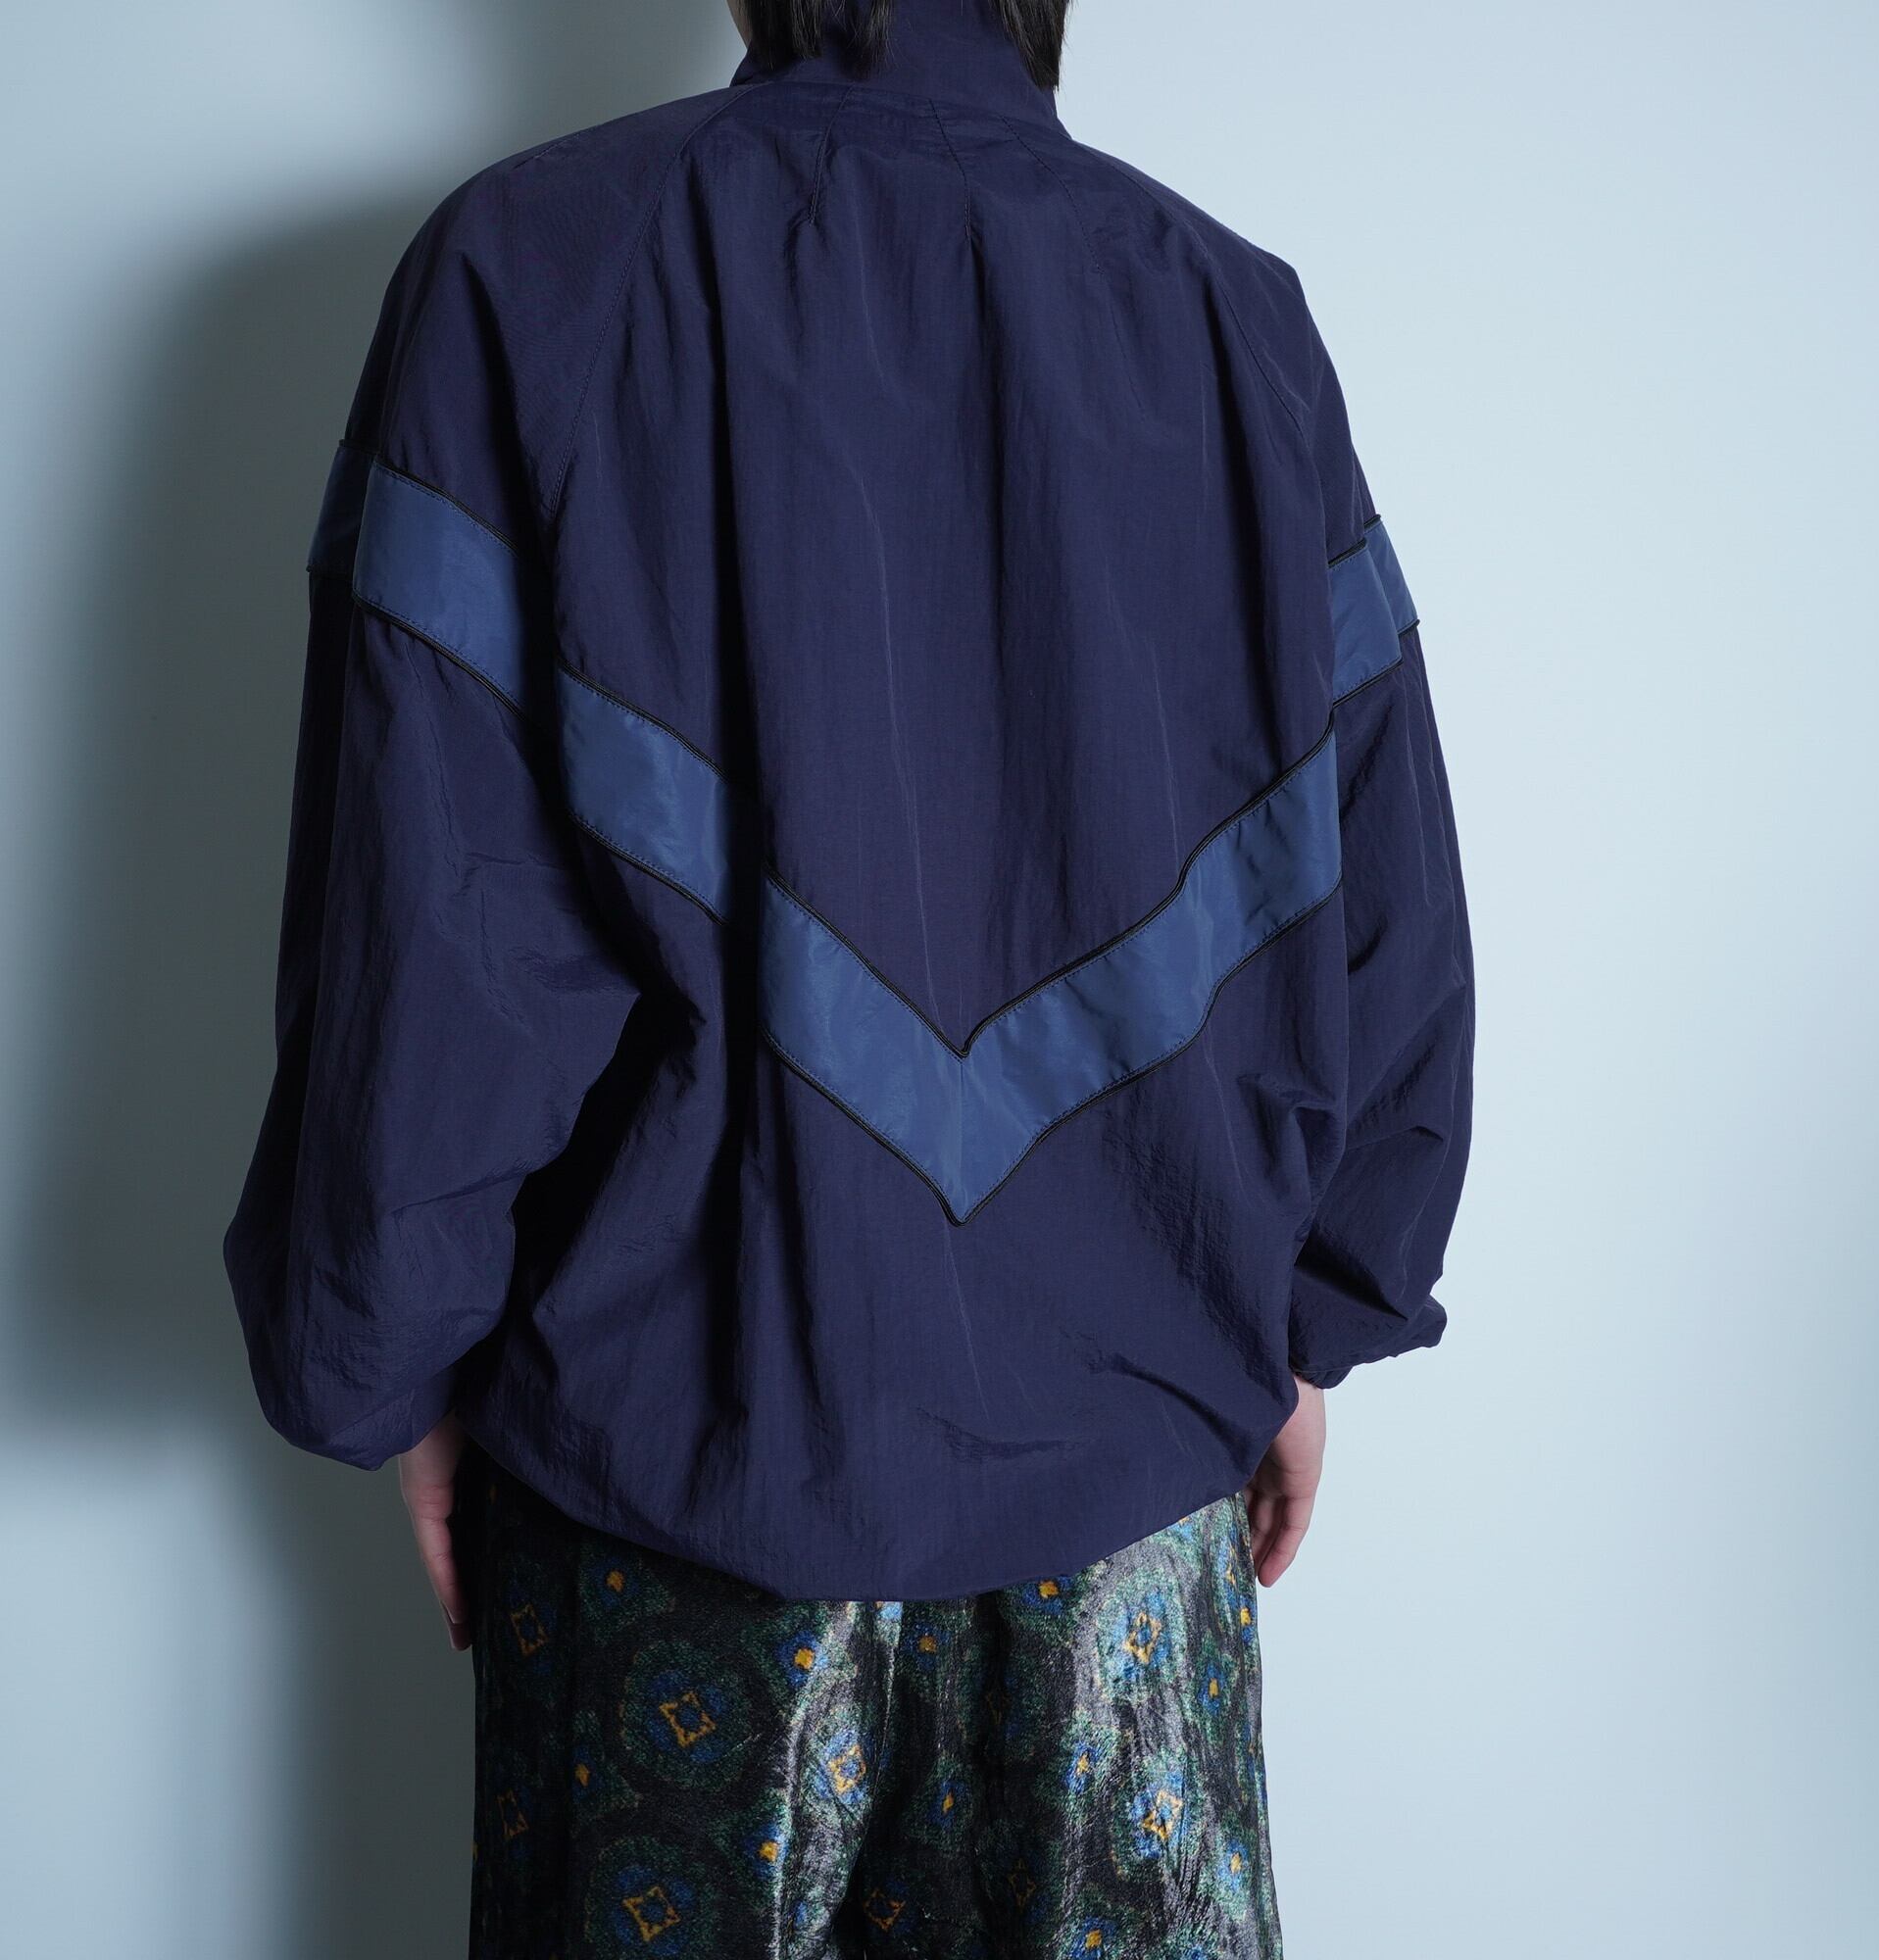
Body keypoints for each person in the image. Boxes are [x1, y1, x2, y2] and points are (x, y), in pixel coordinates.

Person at [225, 0, 1474, 1950]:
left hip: (673, 1508)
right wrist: (1314, 1314)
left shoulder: (525, 269)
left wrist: (386, 1363)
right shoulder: (1231, 316)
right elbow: (1375, 886)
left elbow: (434, 926)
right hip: (1132, 1504)